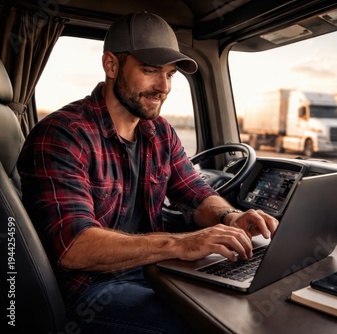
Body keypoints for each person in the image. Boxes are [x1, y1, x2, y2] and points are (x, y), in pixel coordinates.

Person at [17, 11, 278, 334]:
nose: (163, 87)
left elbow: (195, 193)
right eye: (151, 71)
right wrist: (181, 244)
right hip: (90, 290)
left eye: (170, 74)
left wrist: (230, 217)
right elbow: (75, 248)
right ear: (111, 65)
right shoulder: (63, 134)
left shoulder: (160, 132)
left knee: (250, 302)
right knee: (211, 325)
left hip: (151, 271)